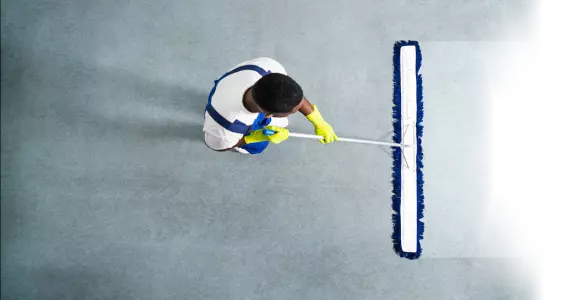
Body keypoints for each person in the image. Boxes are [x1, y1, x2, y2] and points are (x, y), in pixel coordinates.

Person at [203, 57, 338, 154]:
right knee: (258, 147)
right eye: (292, 111)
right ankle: (247, 146)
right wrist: (257, 136)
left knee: (283, 122)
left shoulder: (268, 69)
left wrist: (318, 122)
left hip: (227, 86)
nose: (300, 105)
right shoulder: (227, 129)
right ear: (268, 114)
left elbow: (293, 96)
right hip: (221, 112)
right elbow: (220, 146)